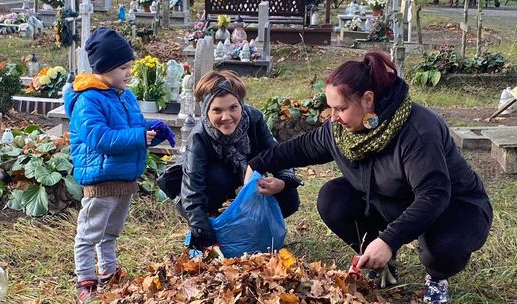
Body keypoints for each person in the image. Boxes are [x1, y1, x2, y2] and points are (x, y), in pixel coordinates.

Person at [245, 51, 492, 304]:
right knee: (333, 198)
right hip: (395, 200)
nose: (333, 118)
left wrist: (388, 239)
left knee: (441, 249)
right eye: (330, 108)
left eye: (340, 108)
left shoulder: (417, 130)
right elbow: (300, 149)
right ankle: (383, 263)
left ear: (367, 100)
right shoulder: (341, 131)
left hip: (454, 206)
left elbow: (434, 195)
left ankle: (437, 278)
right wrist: (257, 164)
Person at [64, 28, 175, 303]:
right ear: (104, 68)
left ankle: (109, 272)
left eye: (130, 66)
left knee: (111, 231)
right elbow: (99, 138)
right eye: (123, 67)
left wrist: (151, 129)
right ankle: (85, 280)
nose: (129, 72)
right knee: (90, 233)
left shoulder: (123, 95)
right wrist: (138, 136)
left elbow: (132, 126)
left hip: (124, 178)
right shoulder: (88, 99)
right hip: (101, 178)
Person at [158, 70, 302, 251]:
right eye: (217, 110)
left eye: (233, 108)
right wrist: (205, 235)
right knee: (218, 175)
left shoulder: (254, 119)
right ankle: (221, 224)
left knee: (289, 195)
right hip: (216, 191)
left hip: (248, 184)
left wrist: (284, 182)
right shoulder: (199, 138)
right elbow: (192, 193)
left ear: (241, 105)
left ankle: (256, 227)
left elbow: (279, 156)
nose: (226, 117)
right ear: (206, 111)